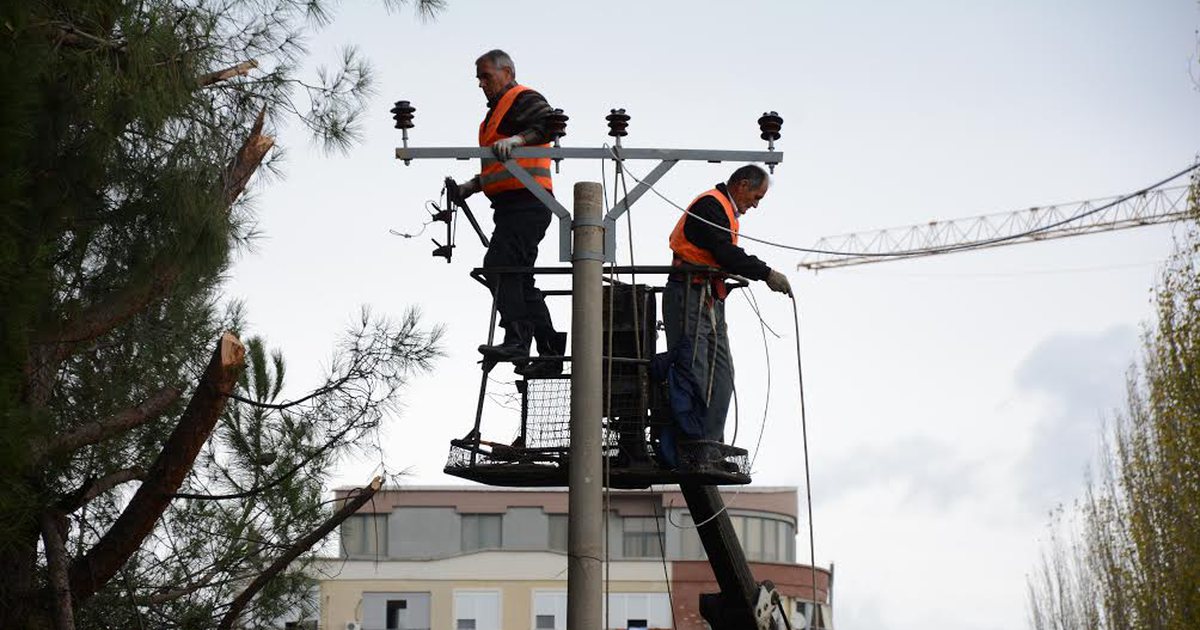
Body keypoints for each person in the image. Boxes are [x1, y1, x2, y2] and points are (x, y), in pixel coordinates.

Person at [663, 165, 793, 447]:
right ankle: (691, 443)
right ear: (742, 185)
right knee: (693, 368)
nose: (755, 205)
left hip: (708, 297)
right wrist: (766, 273)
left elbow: (723, 254)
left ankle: (710, 443)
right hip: (688, 294)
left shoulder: (725, 211)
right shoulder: (711, 205)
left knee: (723, 373)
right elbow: (725, 252)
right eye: (756, 197)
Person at [457, 49, 565, 378]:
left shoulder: (522, 98)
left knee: (499, 268)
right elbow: (499, 164)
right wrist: (472, 186)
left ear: (507, 72)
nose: (481, 83)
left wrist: (518, 139)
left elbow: (549, 126)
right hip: (511, 207)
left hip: (527, 203)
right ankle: (549, 351)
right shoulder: (494, 116)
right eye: (478, 77)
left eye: (486, 75)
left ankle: (517, 339)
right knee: (518, 278)